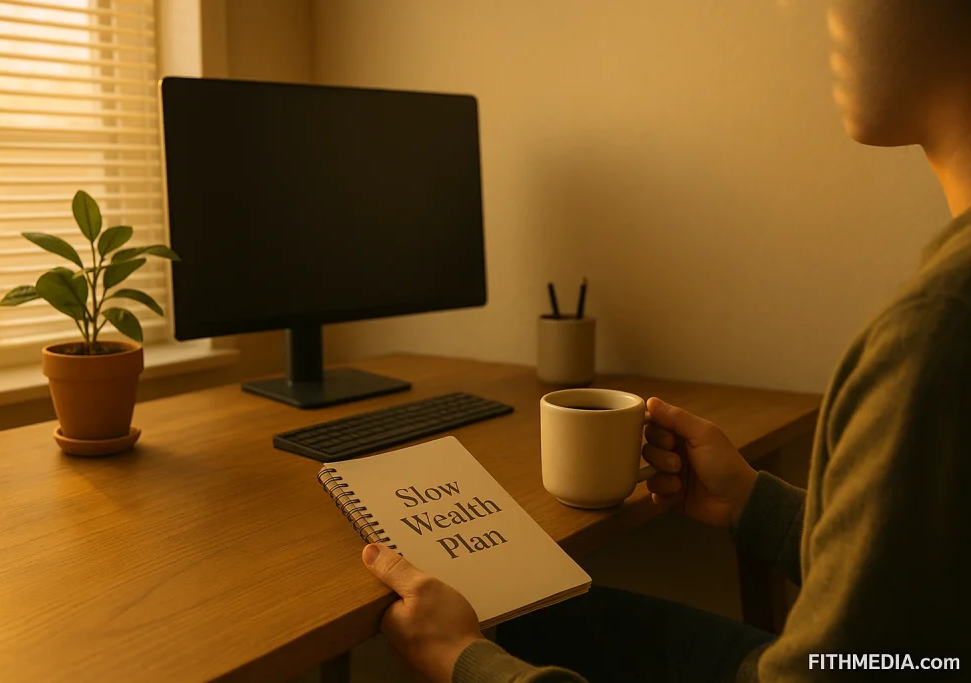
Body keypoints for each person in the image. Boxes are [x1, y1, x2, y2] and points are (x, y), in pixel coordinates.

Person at [360, 1, 971, 680]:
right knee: (541, 614)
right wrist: (753, 502)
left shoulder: (936, 334)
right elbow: (924, 598)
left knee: (508, 623)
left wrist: (465, 661)